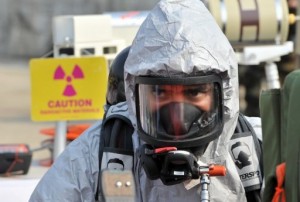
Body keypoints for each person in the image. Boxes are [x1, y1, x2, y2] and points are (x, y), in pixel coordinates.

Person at [29, 0, 263, 201]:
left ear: (224, 93)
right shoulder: (96, 154)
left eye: (193, 93)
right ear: (134, 94)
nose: (177, 115)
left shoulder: (258, 148)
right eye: (160, 93)